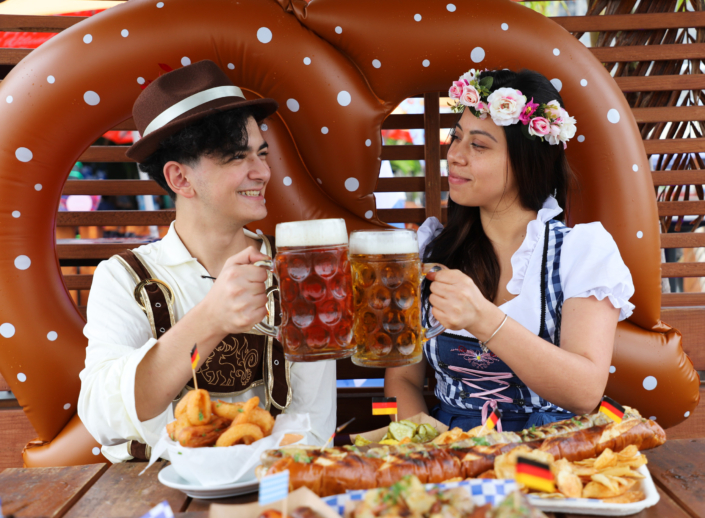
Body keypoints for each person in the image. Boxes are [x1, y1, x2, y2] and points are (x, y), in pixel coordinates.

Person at [78, 60, 336, 462]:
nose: (263, 172)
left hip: (271, 488)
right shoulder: (124, 278)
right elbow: (104, 417)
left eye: (262, 154)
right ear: (180, 179)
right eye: (238, 158)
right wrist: (209, 319)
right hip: (156, 495)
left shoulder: (299, 270)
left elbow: (312, 422)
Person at [385, 68, 635, 432]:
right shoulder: (427, 252)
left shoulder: (580, 253)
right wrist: (431, 452)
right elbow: (402, 382)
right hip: (448, 452)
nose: (455, 155)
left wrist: (481, 317)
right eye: (456, 138)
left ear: (526, 161)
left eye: (479, 145)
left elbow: (585, 392)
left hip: (550, 454)